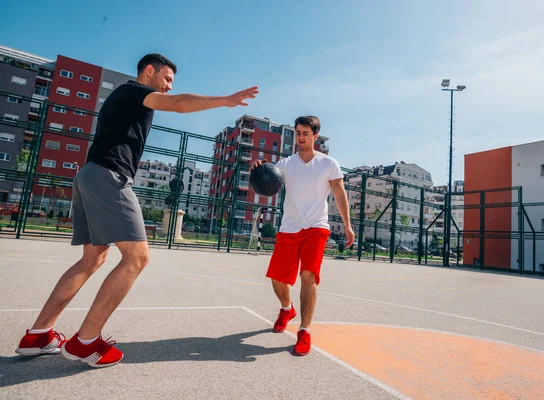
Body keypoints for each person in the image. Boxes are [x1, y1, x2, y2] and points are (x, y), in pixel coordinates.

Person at [15, 53, 259, 367]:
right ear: (149, 71)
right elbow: (179, 104)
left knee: (93, 258)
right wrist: (224, 100)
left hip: (89, 174)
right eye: (167, 78)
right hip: (108, 176)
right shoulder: (135, 92)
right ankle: (86, 341)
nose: (170, 86)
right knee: (138, 257)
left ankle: (38, 335)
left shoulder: (125, 97)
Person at [250, 116, 354, 356]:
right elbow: (269, 184)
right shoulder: (286, 164)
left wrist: (347, 226)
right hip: (289, 227)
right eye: (298, 133)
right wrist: (258, 172)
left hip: (316, 227)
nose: (301, 137)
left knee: (309, 275)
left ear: (315, 136)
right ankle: (287, 308)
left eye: (306, 133)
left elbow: (339, 195)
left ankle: (304, 331)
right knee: (277, 278)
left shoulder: (329, 164)